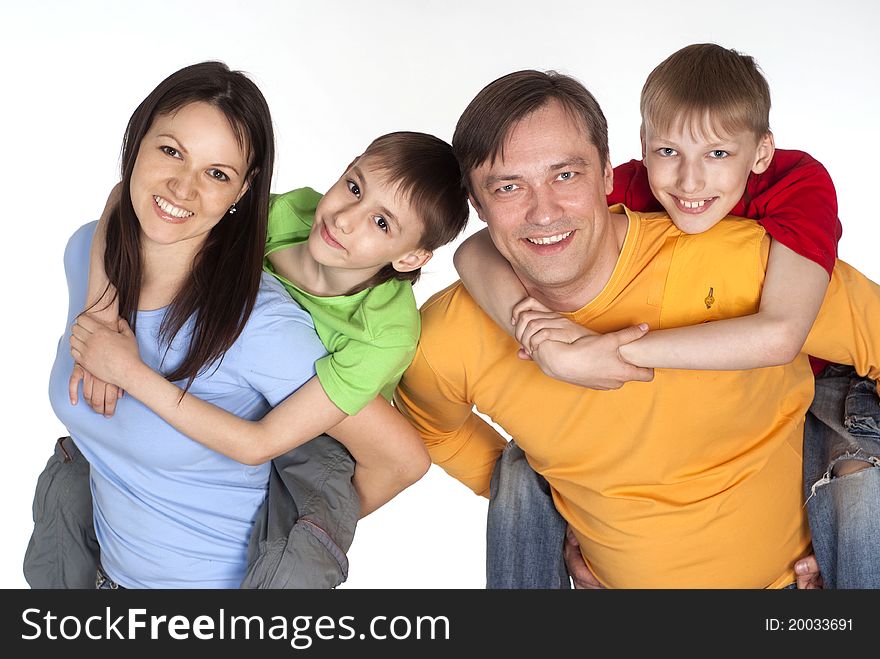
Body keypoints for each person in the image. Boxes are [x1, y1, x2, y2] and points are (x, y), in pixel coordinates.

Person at [394, 67, 880, 588]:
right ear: (477, 204)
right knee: (519, 474)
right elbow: (435, 430)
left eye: (565, 175)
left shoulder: (751, 266)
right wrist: (547, 516)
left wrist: (847, 540)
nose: (544, 212)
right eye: (509, 187)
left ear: (607, 175)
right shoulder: (447, 337)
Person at [30, 61, 392, 589]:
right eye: (171, 150)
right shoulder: (88, 251)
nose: (183, 186)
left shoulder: (259, 323)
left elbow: (396, 459)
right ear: (136, 142)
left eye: (217, 174)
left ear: (243, 192)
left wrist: (299, 541)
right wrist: (103, 305)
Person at [70, 130, 469, 517]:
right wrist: (101, 313)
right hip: (226, 390)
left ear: (410, 259)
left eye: (381, 223)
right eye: (354, 187)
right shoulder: (285, 214)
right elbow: (130, 194)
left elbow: (260, 444)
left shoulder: (384, 335)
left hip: (310, 438)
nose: (345, 219)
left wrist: (124, 371)